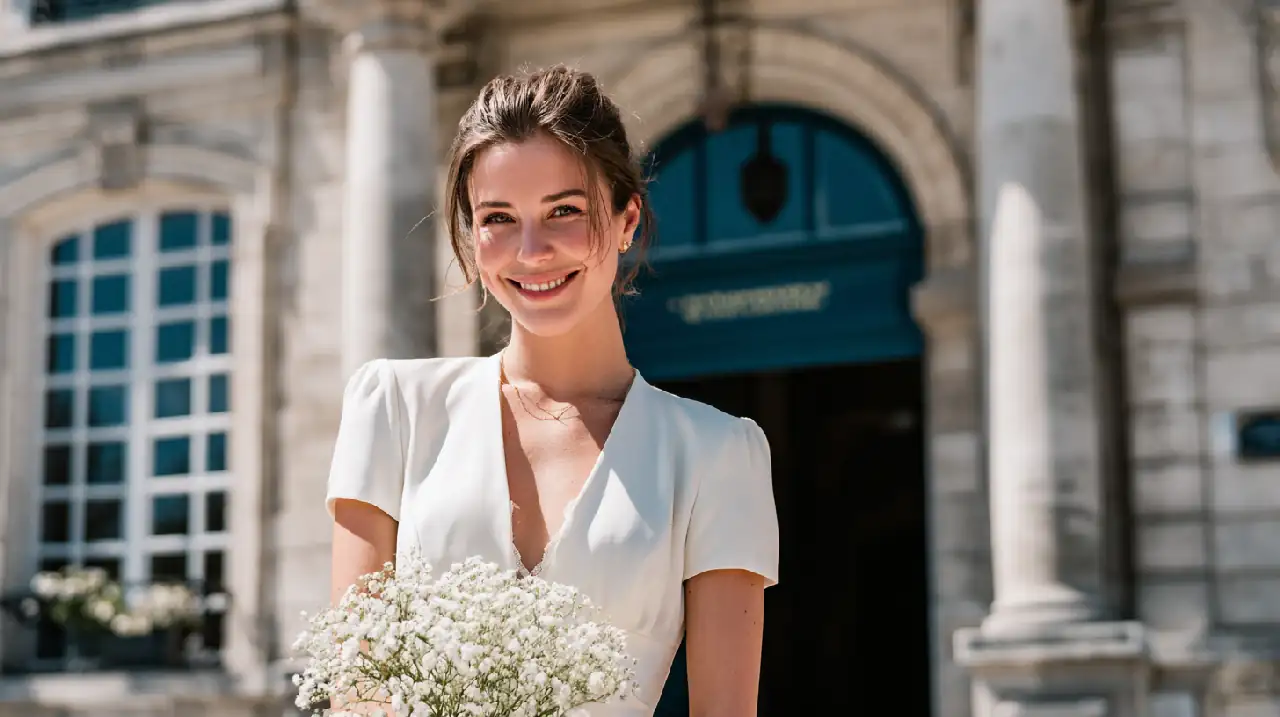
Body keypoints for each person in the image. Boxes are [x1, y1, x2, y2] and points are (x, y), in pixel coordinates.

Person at [326, 65, 780, 716]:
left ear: (627, 219)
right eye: (499, 218)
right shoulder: (394, 407)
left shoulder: (718, 454)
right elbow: (356, 690)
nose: (532, 250)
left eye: (563, 211)